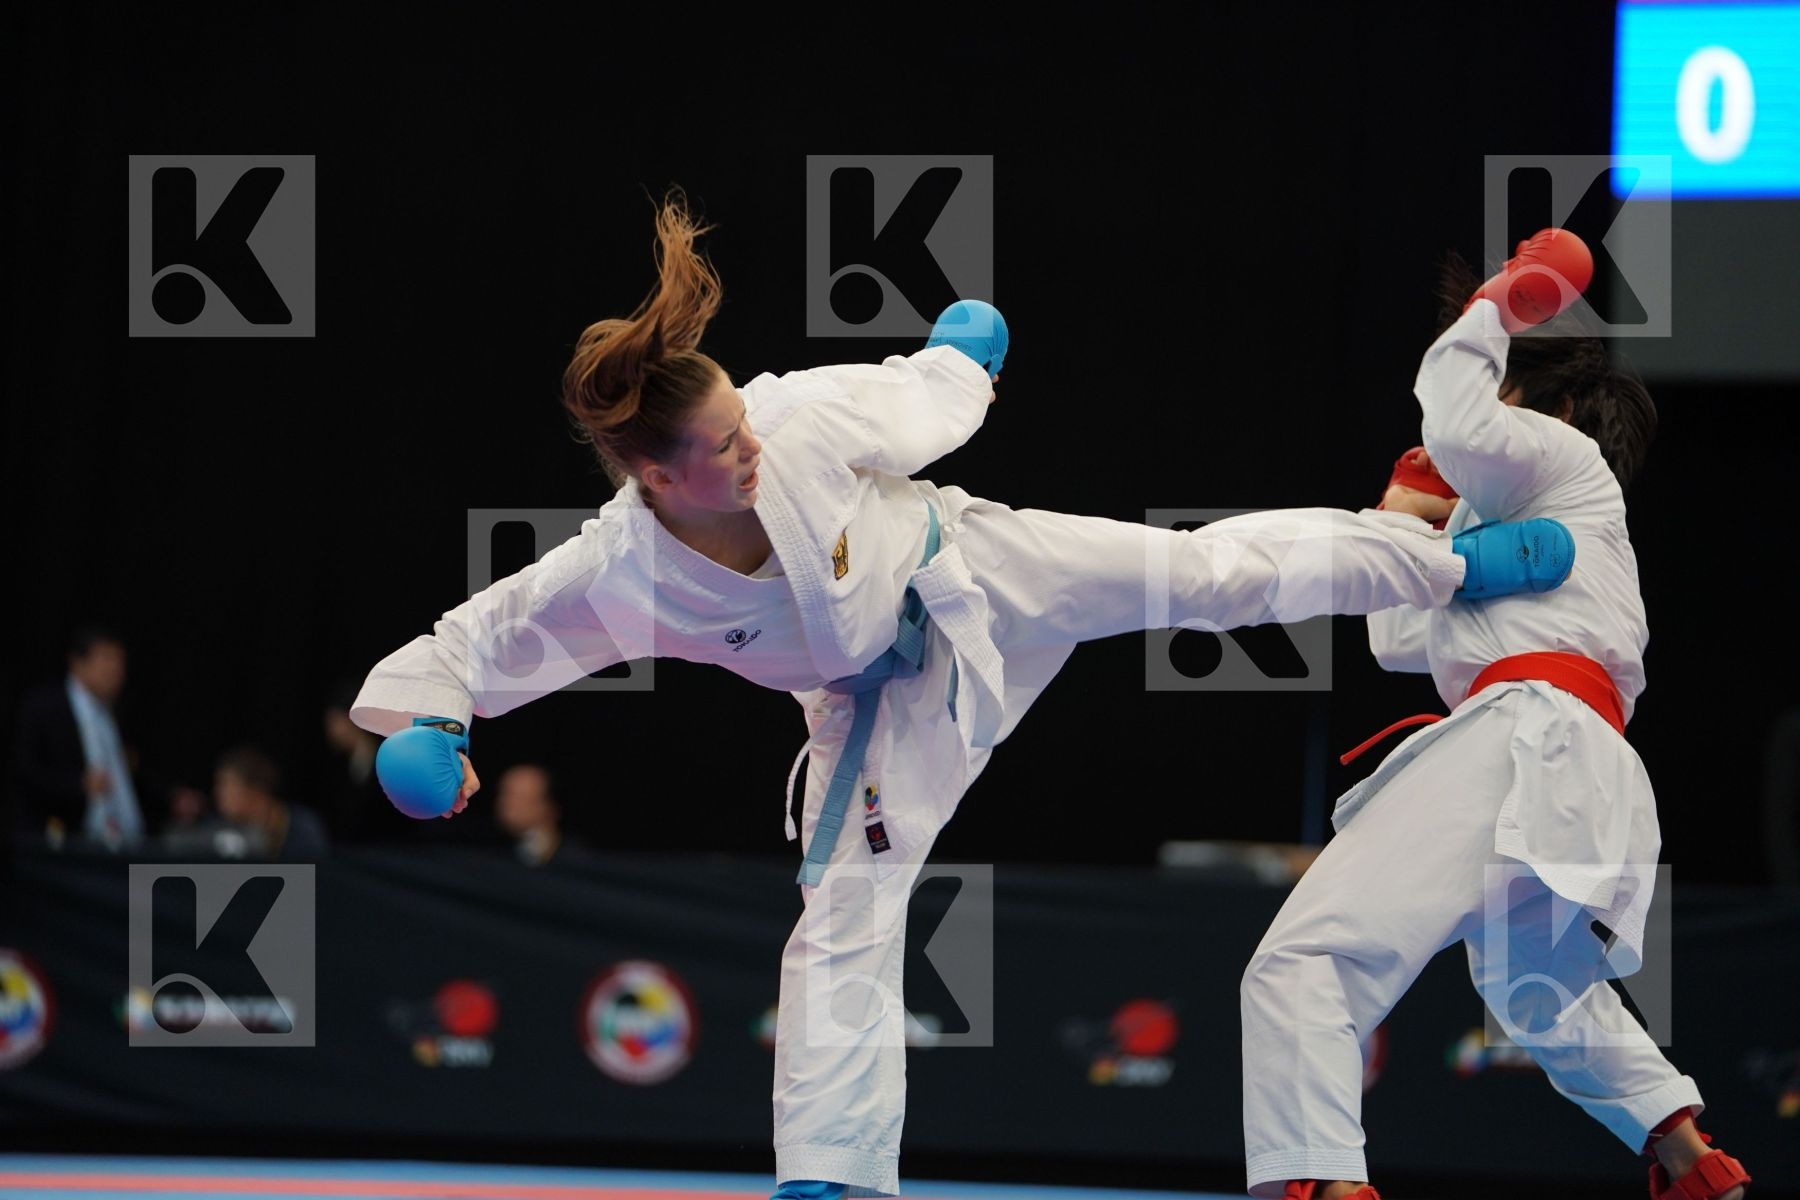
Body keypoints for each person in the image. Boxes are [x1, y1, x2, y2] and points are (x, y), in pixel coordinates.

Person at [350, 191, 1570, 1200]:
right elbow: (480, 635)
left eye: (739, 423)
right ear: (656, 481)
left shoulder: (790, 417)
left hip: (976, 568)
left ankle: (1448, 563)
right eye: (721, 449)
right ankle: (830, 1179)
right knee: (845, 906)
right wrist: (431, 726)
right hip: (877, 705)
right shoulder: (619, 573)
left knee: (1204, 574)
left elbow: (912, 403)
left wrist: (957, 362)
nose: (748, 445)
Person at [1238, 234, 1751, 1200]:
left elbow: (1460, 417)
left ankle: (1320, 1186)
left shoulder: (1569, 462)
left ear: (1544, 405)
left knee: (1306, 961)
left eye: (1498, 386)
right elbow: (1394, 636)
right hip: (1566, 761)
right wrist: (1405, 515)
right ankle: (1696, 1162)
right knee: (1539, 990)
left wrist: (1499, 305)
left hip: (1528, 734)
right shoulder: (1505, 516)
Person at [11, 625, 152, 850]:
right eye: (106, 659)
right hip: (65, 843)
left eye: (120, 661)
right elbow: (26, 772)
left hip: (127, 842)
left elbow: (133, 774)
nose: (115, 669)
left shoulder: (118, 712)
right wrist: (77, 785)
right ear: (78, 663)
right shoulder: (44, 708)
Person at [213, 746, 330, 862]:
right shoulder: (222, 830)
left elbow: (319, 869)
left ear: (255, 789)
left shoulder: (303, 827)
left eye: (227, 785)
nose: (219, 794)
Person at [493, 763, 587, 866]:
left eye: (521, 797)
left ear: (550, 805)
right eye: (505, 794)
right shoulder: (494, 849)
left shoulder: (576, 857)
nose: (507, 803)